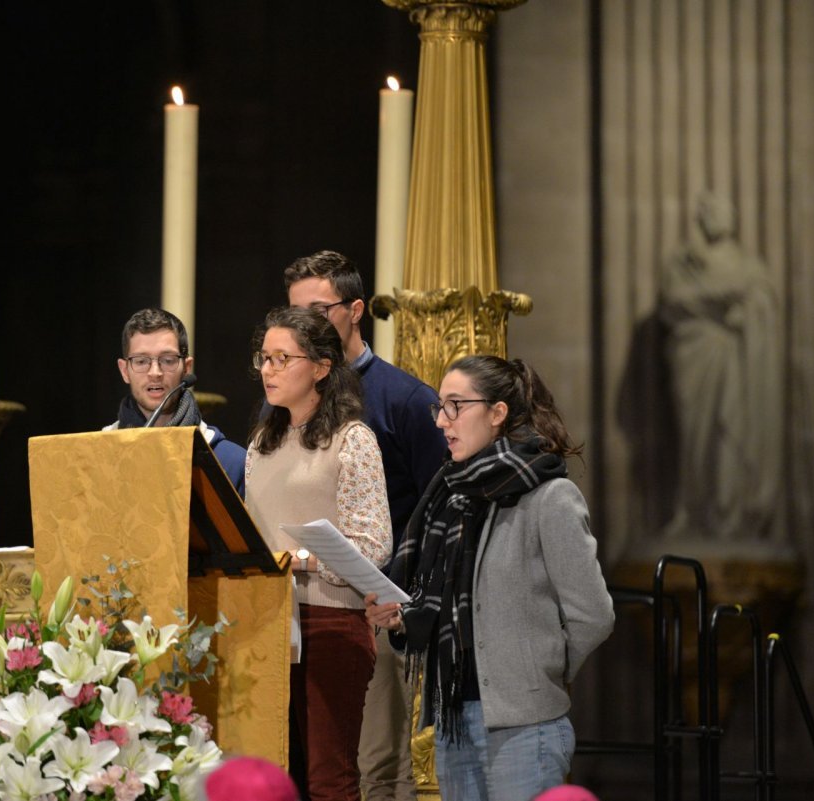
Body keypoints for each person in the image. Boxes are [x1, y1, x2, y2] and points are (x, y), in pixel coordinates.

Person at [365, 355, 614, 801]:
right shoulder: (451, 495)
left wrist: (540, 669)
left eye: (456, 406)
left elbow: (593, 615)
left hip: (525, 723)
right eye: (439, 407)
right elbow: (445, 606)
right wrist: (403, 618)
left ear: (497, 413)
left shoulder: (550, 496)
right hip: (455, 720)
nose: (443, 421)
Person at [285, 250, 447, 800]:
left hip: (375, 612)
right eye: (293, 312)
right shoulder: (286, 405)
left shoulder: (404, 400)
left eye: (318, 309)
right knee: (311, 765)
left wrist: (406, 600)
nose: (303, 325)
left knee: (373, 767)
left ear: (355, 310)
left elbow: (439, 511)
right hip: (296, 616)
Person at [244, 306, 392, 801]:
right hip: (266, 624)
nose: (268, 369)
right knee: (274, 778)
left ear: (323, 367)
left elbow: (374, 545)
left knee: (329, 780)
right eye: (264, 358)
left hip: (330, 625)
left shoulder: (352, 440)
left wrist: (301, 559)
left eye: (282, 358)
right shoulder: (261, 445)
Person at [659, 190, 783, 543]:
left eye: (724, 209)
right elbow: (672, 303)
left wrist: (744, 313)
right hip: (693, 359)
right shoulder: (683, 262)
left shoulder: (749, 266)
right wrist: (718, 301)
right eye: (711, 210)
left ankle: (730, 513)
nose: (718, 216)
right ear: (702, 219)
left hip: (735, 364)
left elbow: (762, 307)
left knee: (730, 433)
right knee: (692, 438)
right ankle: (691, 511)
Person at [106, 308, 246, 496]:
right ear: (124, 370)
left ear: (187, 367)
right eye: (141, 361)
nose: (155, 372)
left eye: (168, 360)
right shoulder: (100, 455)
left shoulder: (230, 462)